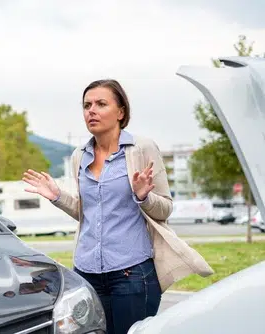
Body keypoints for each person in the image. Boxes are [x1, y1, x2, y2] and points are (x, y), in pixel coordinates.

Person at [22, 79, 213, 334]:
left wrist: (143, 196)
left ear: (121, 112)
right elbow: (87, 212)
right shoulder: (80, 155)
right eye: (87, 105)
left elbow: (165, 209)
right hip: (87, 272)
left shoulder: (141, 149)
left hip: (131, 274)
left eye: (101, 104)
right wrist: (58, 196)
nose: (91, 110)